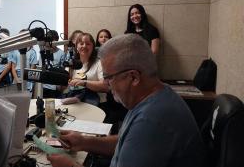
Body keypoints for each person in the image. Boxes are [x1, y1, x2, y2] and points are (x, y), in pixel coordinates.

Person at [48, 34, 205, 167]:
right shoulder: (151, 97)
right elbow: (126, 142)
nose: (107, 83)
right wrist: (83, 142)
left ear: (133, 77)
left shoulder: (152, 120)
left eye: (109, 77)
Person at [63, 32, 108, 106]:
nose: (84, 46)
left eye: (88, 44)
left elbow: (105, 86)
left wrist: (84, 83)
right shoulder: (71, 64)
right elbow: (64, 87)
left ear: (93, 47)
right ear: (76, 47)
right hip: (75, 104)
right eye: (81, 43)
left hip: (96, 105)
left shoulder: (99, 63)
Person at [11, 29, 38, 93]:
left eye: (25, 38)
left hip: (27, 77)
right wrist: (17, 79)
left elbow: (32, 68)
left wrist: (25, 80)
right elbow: (13, 68)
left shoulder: (32, 52)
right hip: (17, 76)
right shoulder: (15, 51)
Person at [42, 30, 66, 98]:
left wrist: (59, 85)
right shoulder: (42, 52)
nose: (50, 44)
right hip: (44, 85)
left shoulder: (61, 53)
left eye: (52, 41)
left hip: (55, 86)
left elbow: (62, 70)